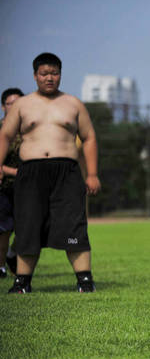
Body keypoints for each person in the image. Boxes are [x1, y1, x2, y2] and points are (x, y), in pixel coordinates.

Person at [0, 52, 101, 293]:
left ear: (60, 75)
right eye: (44, 73)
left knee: (73, 224)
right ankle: (22, 281)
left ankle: (84, 280)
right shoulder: (23, 105)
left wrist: (92, 173)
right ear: (35, 76)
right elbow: (5, 135)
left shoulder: (73, 103)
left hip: (66, 172)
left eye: (54, 73)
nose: (49, 78)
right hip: (31, 172)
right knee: (27, 224)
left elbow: (89, 137)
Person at [0, 88, 24, 278]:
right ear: (3, 107)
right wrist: (16, 172)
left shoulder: (30, 129)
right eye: (10, 103)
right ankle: (1, 267)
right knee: (4, 229)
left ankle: (12, 255)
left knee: (30, 227)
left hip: (27, 188)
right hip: (4, 187)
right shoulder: (1, 130)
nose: (15, 106)